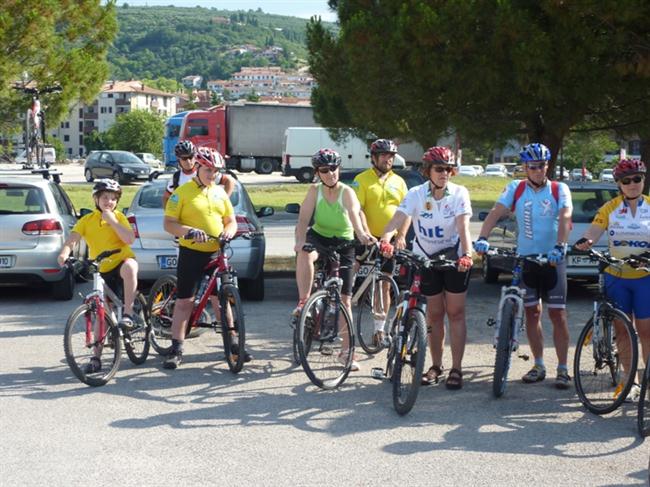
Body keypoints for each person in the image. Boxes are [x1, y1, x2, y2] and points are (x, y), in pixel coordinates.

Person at [474, 142, 573, 389]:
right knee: (531, 312)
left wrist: (560, 245)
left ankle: (563, 368)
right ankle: (538, 364)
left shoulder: (559, 189)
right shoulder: (515, 188)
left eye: (542, 165)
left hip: (553, 260)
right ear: (525, 168)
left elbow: (565, 216)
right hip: (526, 260)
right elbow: (496, 212)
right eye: (533, 166)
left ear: (547, 166)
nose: (539, 170)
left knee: (558, 315)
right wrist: (483, 237)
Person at [380, 146, 473, 390]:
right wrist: (386, 239)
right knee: (434, 314)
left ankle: (456, 368)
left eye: (449, 169)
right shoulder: (417, 193)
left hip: (453, 259)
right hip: (426, 259)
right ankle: (436, 366)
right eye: (439, 169)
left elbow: (463, 227)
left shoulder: (459, 193)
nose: (445, 174)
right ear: (428, 171)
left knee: (455, 312)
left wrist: (467, 254)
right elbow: (398, 217)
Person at [162, 148, 246, 369]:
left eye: (216, 171)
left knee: (221, 299)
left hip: (216, 252)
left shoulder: (219, 192)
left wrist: (229, 231)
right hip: (191, 253)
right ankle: (176, 348)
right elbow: (168, 223)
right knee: (185, 301)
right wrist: (188, 231)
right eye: (208, 170)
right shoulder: (182, 193)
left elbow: (230, 220)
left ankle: (233, 343)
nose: (212, 175)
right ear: (197, 168)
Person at [293, 148, 375, 371]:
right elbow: (303, 220)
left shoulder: (346, 192)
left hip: (344, 242)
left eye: (334, 168)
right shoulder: (314, 190)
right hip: (319, 237)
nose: (330, 173)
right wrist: (300, 241)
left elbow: (355, 216)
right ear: (317, 173)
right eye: (325, 170)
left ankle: (347, 352)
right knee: (305, 254)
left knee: (345, 301)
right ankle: (303, 302)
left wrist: (362, 235)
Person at [575, 158, 650, 383]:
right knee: (622, 330)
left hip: (645, 278)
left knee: (646, 331)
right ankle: (629, 380)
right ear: (619, 184)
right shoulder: (610, 208)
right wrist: (586, 241)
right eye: (626, 181)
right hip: (617, 277)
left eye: (637, 179)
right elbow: (594, 230)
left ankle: (647, 378)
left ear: (643, 180)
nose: (632, 184)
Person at [57, 179, 138, 373]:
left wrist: (112, 221)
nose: (109, 202)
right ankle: (96, 357)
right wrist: (64, 254)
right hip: (101, 268)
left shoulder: (119, 217)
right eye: (105, 198)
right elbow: (73, 239)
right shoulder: (87, 220)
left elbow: (129, 239)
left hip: (121, 262)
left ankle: (128, 313)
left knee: (130, 267)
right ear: (96, 199)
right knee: (101, 313)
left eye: (113, 199)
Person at [350, 138, 408, 347]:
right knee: (351, 272)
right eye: (384, 155)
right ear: (374, 158)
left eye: (391, 156)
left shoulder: (399, 182)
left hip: (389, 240)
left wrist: (401, 236)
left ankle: (379, 331)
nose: (388, 159)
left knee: (384, 283)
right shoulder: (361, 179)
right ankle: (336, 309)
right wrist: (365, 234)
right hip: (365, 236)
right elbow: (358, 209)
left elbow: (406, 212)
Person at [163, 141, 234, 207]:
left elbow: (229, 181)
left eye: (190, 157)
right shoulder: (176, 177)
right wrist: (169, 213)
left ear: (195, 156)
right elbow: (166, 197)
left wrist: (224, 201)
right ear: (178, 159)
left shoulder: (204, 171)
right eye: (184, 158)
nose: (188, 161)